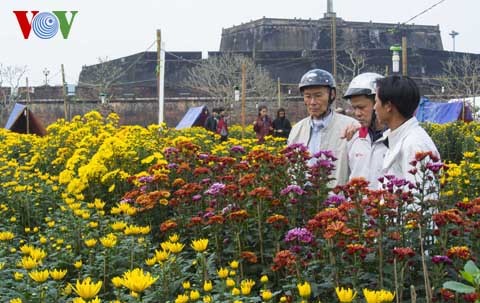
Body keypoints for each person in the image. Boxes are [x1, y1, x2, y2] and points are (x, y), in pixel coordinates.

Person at [287, 68, 359, 187]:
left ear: (332, 94)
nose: (313, 102)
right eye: (308, 96)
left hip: (336, 201)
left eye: (318, 95)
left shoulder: (350, 127)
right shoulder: (297, 130)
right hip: (302, 201)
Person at [373, 75, 439, 185]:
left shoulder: (415, 145)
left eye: (376, 102)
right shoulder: (398, 137)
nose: (374, 107)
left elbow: (424, 197)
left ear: (388, 106)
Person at [343, 72, 388, 189]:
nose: (357, 113)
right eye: (354, 108)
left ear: (378, 102)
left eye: (361, 107)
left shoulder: (397, 139)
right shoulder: (353, 137)